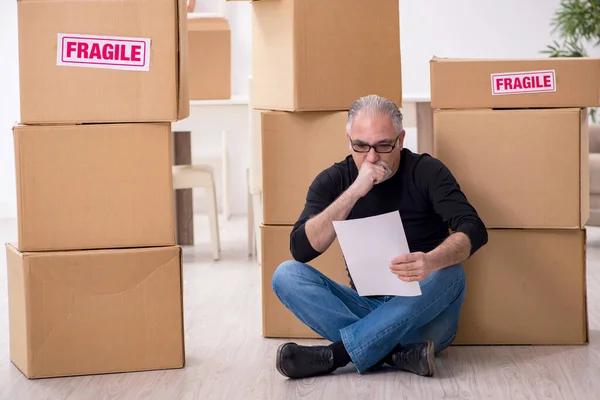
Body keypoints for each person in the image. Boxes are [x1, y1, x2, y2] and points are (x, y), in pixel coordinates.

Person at [271, 94, 488, 379]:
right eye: (360, 146)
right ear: (348, 138)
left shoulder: (427, 171)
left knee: (451, 273)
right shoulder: (334, 179)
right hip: (369, 308)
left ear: (400, 139)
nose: (371, 157)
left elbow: (473, 228)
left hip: (425, 316)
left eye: (383, 145)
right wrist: (356, 191)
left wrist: (431, 261)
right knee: (286, 274)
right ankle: (396, 355)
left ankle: (337, 355)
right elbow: (301, 249)